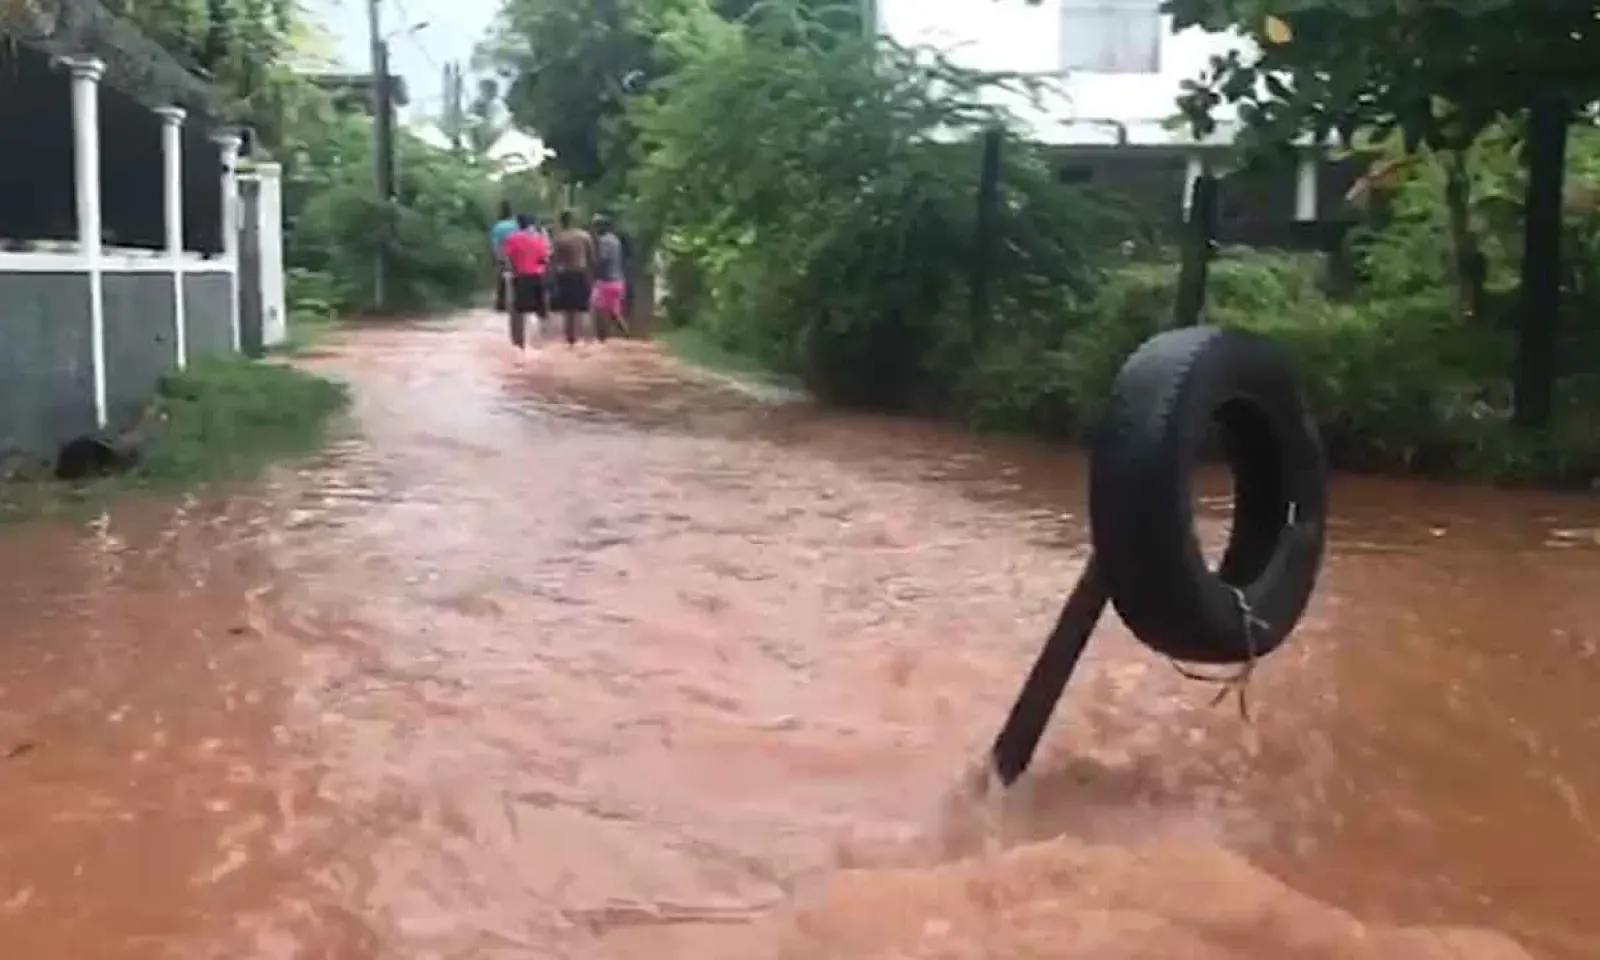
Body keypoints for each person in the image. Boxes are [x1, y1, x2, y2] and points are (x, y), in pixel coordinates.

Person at [501, 214, 550, 354]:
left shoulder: (512, 239)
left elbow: (507, 259)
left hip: (520, 277)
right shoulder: (539, 239)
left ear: (518, 224)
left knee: (517, 312)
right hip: (538, 276)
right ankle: (539, 343)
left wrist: (511, 271)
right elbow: (544, 259)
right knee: (539, 311)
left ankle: (519, 344)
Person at [549, 210, 596, 346]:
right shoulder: (584, 236)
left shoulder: (559, 238)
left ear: (561, 221)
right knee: (583, 306)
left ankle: (570, 338)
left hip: (565, 274)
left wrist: (552, 277)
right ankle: (585, 336)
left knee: (568, 308)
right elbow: (591, 258)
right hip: (581, 272)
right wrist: (591, 275)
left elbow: (555, 260)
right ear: (573, 220)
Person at [589, 215, 629, 339]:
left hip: (606, 281)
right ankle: (626, 333)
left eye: (596, 226)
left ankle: (601, 338)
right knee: (613, 312)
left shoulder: (603, 240)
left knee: (596, 308)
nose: (594, 229)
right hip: (619, 280)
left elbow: (602, 259)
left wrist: (593, 268)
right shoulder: (615, 240)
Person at [489, 201, 518, 312]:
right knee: (516, 279)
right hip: (514, 255)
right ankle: (515, 302)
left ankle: (500, 303)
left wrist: (496, 256)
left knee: (500, 279)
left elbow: (495, 243)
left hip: (502, 254)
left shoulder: (497, 226)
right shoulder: (515, 225)